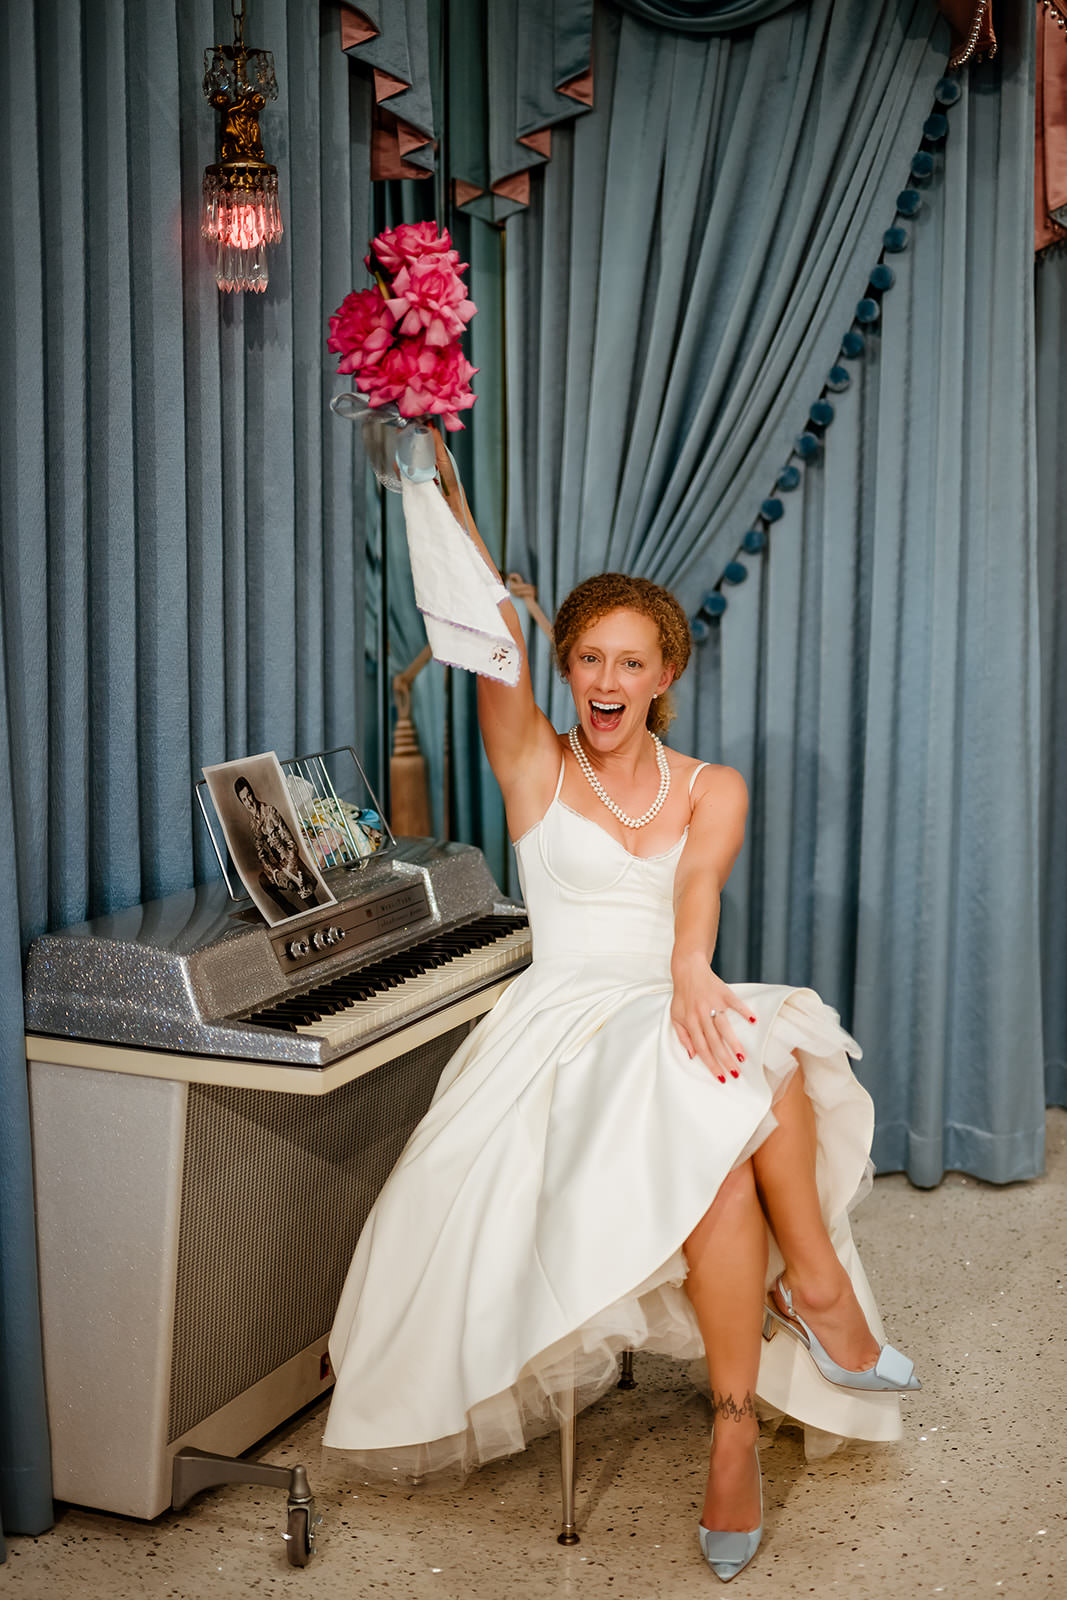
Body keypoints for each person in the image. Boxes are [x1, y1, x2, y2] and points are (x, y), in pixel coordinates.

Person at [325, 441, 919, 1583]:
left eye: (629, 661)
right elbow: (484, 628)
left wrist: (690, 967)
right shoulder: (532, 765)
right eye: (587, 657)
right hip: (560, 1026)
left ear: (662, 675)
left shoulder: (711, 786)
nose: (605, 678)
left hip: (669, 1003)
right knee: (740, 1086)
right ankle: (814, 1304)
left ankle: (740, 1423)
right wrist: (434, 486)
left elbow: (697, 888)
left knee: (748, 1062)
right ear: (565, 668)